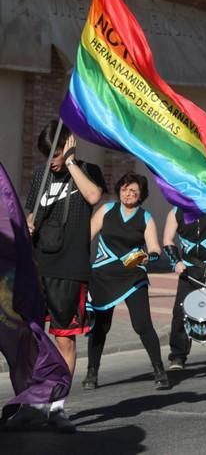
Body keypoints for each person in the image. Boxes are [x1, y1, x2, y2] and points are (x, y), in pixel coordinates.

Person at [25, 120, 106, 432]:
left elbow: (93, 196)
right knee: (32, 337)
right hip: (38, 267)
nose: (53, 162)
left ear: (70, 147)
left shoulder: (87, 171)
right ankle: (33, 401)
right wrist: (28, 223)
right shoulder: (40, 178)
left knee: (64, 340)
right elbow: (30, 214)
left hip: (69, 270)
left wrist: (71, 161)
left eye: (57, 154)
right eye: (49, 156)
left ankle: (57, 406)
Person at [82, 172, 169, 390]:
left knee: (142, 325)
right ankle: (92, 373)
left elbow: (154, 246)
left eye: (133, 191)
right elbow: (85, 237)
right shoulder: (106, 210)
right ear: (119, 190)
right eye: (125, 189)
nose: (128, 194)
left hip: (132, 276)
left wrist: (152, 256)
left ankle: (159, 370)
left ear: (141, 196)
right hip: (102, 276)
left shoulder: (145, 217)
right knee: (100, 327)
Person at [162, 206, 206, 370]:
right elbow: (168, 239)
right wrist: (175, 261)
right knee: (179, 311)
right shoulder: (176, 212)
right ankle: (178, 355)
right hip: (189, 268)